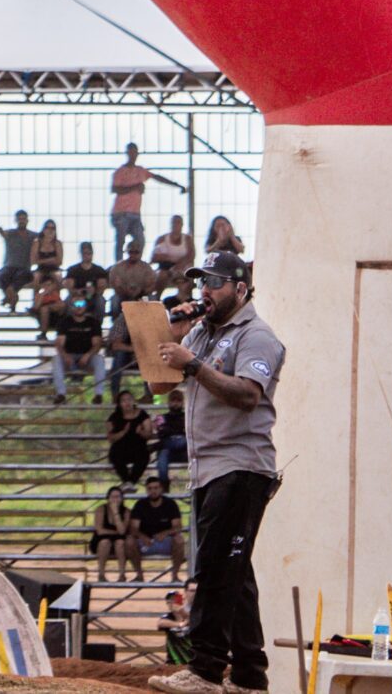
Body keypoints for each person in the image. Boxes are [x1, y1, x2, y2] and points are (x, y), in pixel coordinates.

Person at [151, 251, 286, 694]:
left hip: (240, 465)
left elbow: (247, 395)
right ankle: (249, 676)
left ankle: (206, 670)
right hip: (208, 468)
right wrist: (170, 336)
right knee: (235, 573)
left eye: (214, 282)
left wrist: (192, 363)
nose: (204, 290)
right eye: (200, 282)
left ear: (240, 288)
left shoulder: (256, 336)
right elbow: (159, 383)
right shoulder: (200, 333)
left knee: (213, 568)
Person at [110, 143, 183, 257]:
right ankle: (119, 264)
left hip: (135, 214)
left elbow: (157, 177)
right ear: (127, 153)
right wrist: (135, 187)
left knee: (140, 240)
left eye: (135, 152)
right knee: (120, 240)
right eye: (131, 152)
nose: (133, 155)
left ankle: (136, 262)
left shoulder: (140, 171)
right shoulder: (120, 172)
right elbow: (115, 189)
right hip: (121, 213)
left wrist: (176, 185)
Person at [129, 476, 185, 581]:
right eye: (150, 488)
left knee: (179, 540)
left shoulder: (170, 504)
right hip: (145, 542)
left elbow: (178, 527)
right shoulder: (140, 505)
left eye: (156, 488)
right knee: (129, 541)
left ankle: (175, 576)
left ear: (161, 489)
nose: (153, 491)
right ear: (146, 490)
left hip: (165, 541)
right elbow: (133, 528)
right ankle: (139, 575)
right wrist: (142, 536)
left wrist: (165, 533)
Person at [0, 210, 37, 310]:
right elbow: (0, 231)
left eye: (23, 219)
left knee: (21, 277)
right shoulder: (10, 234)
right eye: (19, 219)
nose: (22, 221)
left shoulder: (33, 236)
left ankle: (9, 298)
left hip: (24, 268)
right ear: (16, 220)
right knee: (3, 277)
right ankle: (13, 297)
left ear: (27, 220)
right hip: (9, 267)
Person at [90, 485, 130, 581]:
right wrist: (116, 532)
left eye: (118, 497)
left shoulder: (126, 511)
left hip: (118, 540)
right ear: (108, 498)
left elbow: (122, 531)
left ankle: (122, 574)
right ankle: (101, 574)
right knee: (105, 542)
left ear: (122, 498)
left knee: (120, 543)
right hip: (101, 540)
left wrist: (116, 513)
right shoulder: (101, 509)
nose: (115, 499)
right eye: (113, 497)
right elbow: (100, 530)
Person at [150, 216, 193, 287]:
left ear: (182, 224)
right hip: (165, 268)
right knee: (161, 275)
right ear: (170, 224)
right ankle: (157, 293)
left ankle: (185, 293)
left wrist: (179, 265)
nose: (176, 225)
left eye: (178, 222)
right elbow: (153, 258)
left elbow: (191, 256)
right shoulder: (161, 239)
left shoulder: (188, 239)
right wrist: (166, 258)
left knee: (187, 275)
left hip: (183, 267)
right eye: (174, 222)